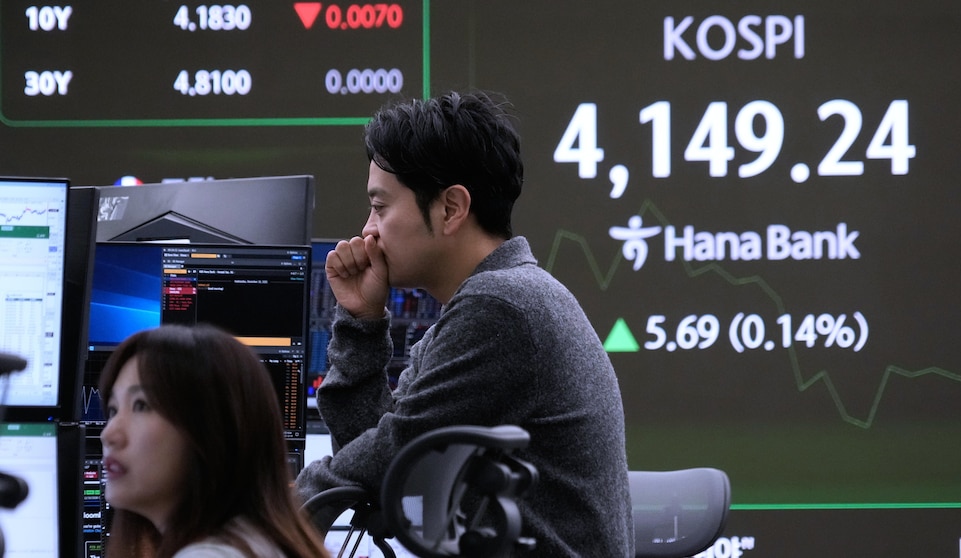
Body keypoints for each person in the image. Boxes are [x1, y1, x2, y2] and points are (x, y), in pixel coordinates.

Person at [296, 91, 635, 556]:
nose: (368, 229)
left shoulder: (502, 307)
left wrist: (276, 511)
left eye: (380, 207)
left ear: (451, 208)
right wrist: (361, 321)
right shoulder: (489, 303)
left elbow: (392, 452)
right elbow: (380, 465)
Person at [99, 324, 328, 558]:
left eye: (141, 405)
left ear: (212, 428)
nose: (108, 435)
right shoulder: (252, 542)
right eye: (113, 410)